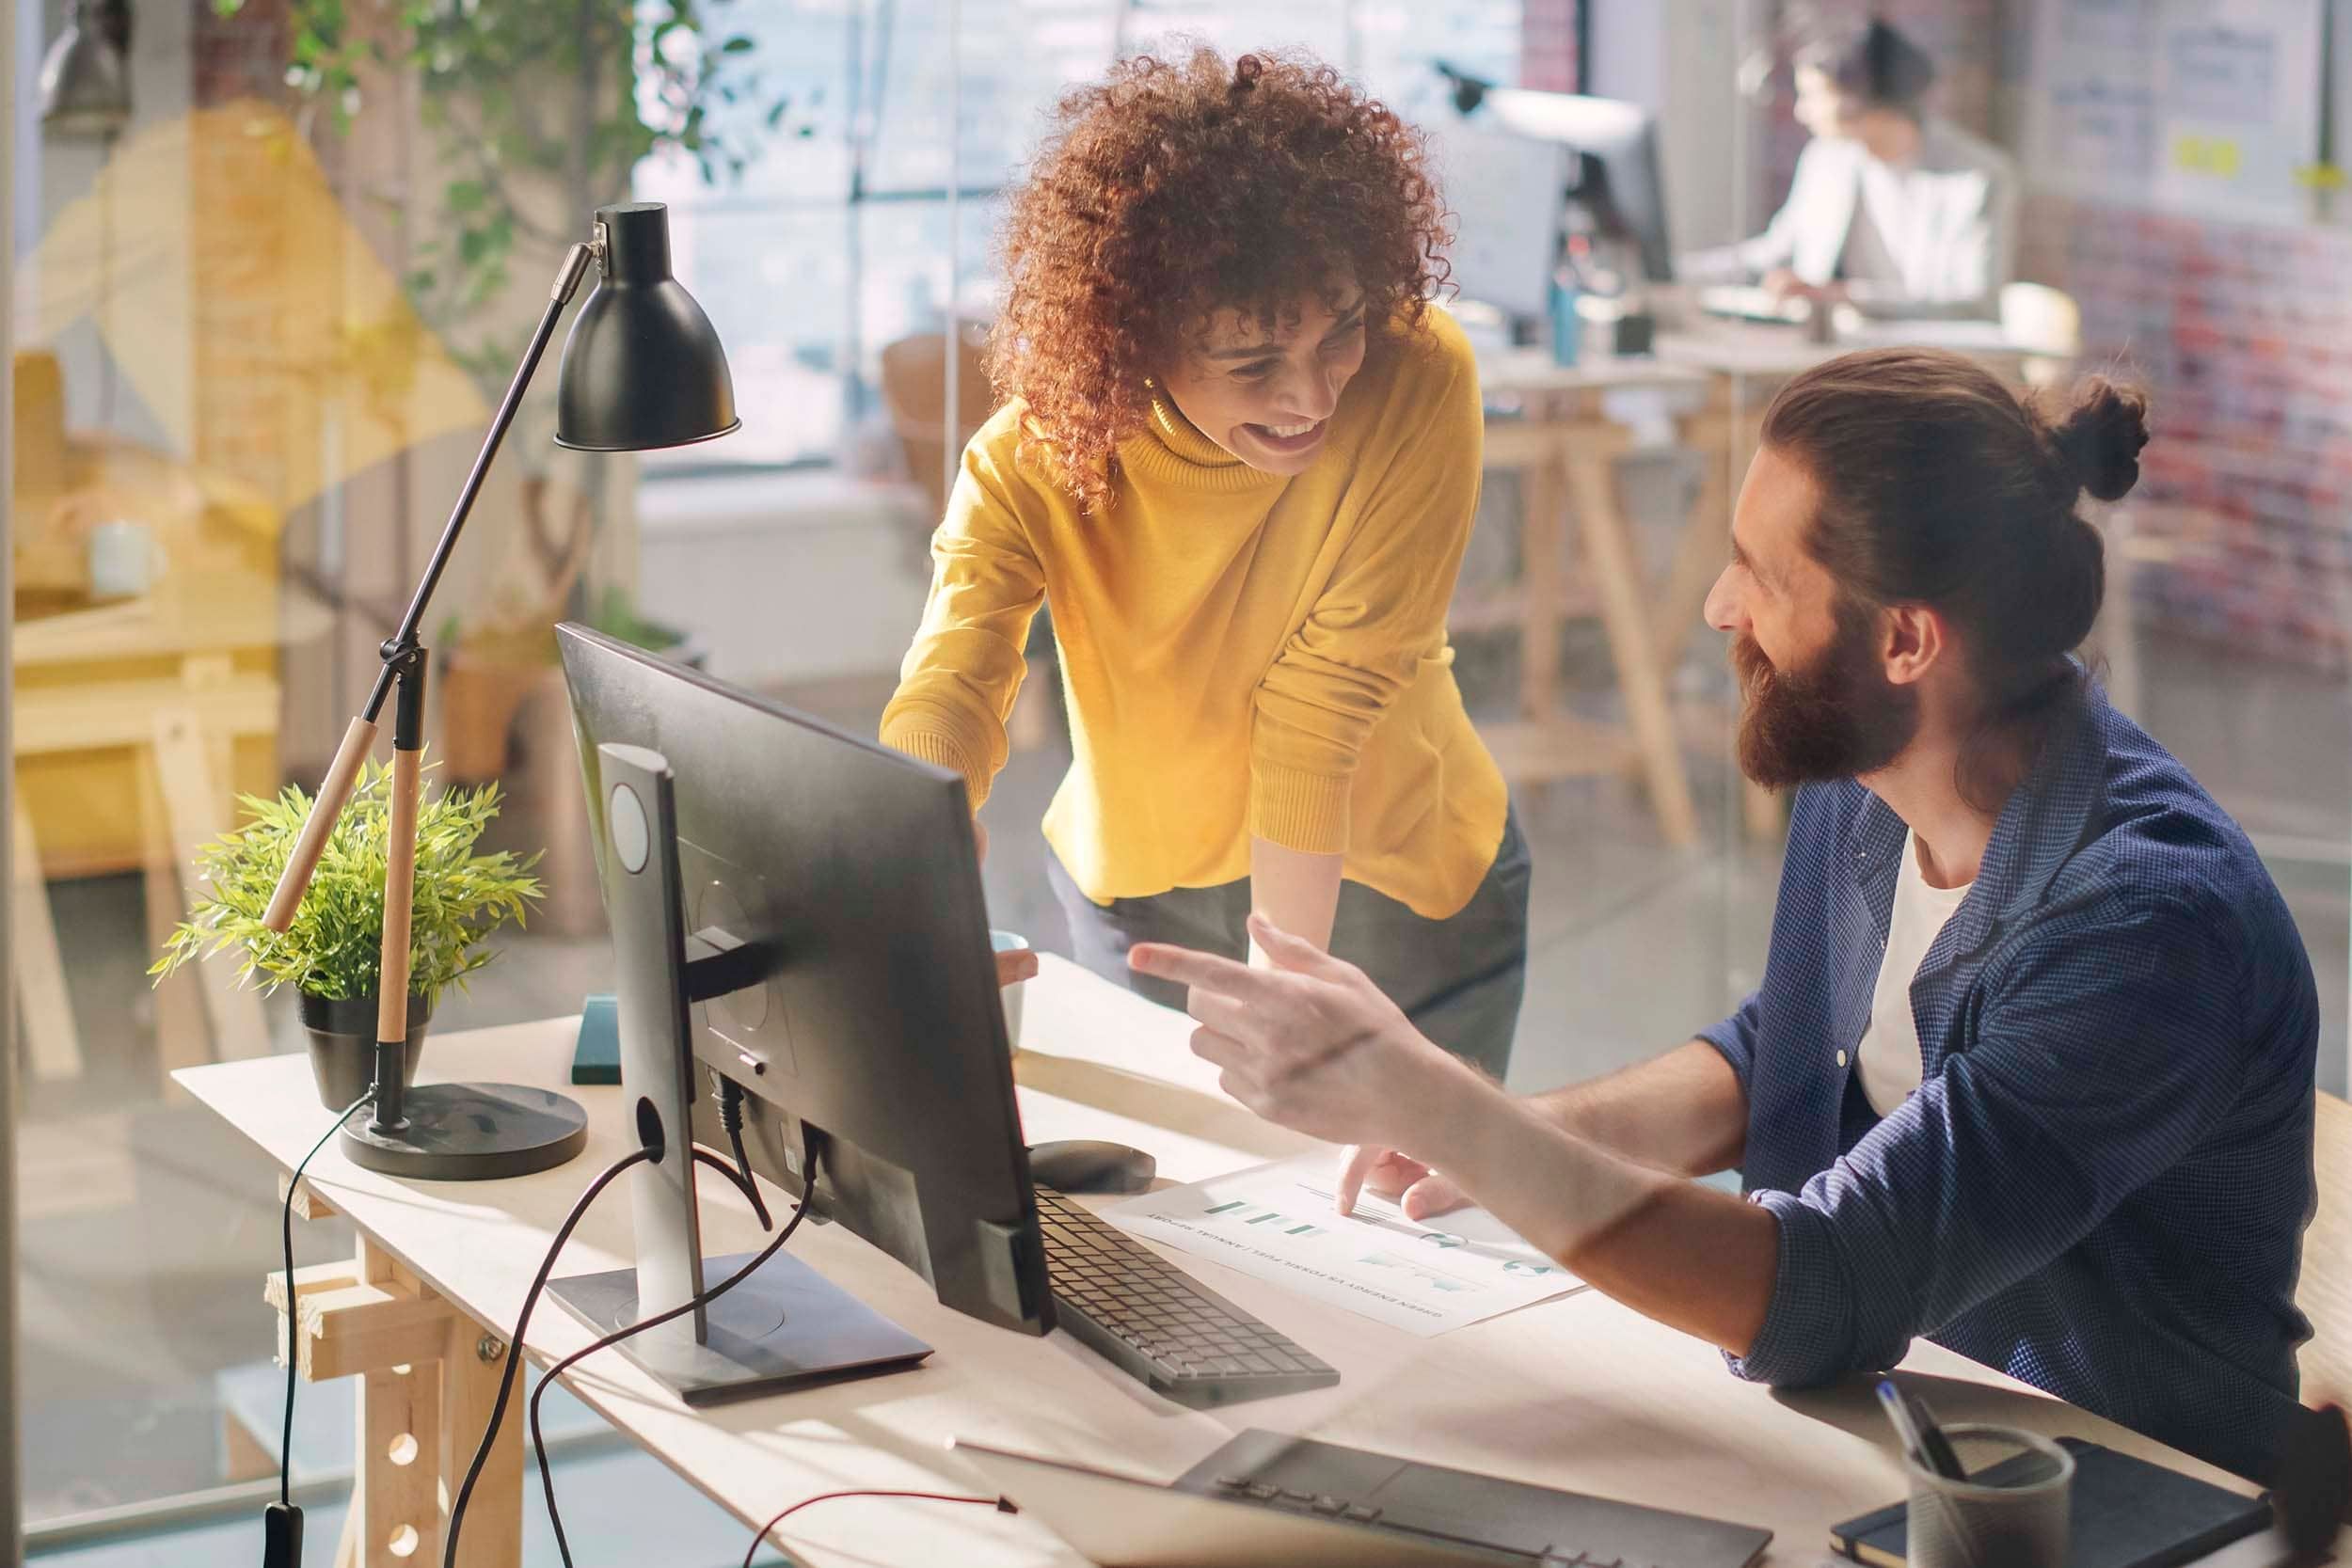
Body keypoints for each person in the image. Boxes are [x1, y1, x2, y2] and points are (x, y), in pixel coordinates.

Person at [1132, 348, 2322, 1487]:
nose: (1715, 605)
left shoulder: (2146, 925)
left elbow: (1826, 1284)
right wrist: (1510, 1136)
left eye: (1758, 571)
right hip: (1892, 1425)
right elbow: (1783, 1059)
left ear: (1904, 639)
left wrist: (1441, 1103)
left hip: (2120, 1492)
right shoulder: (1868, 772)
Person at [880, 48, 1530, 1076]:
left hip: (1392, 878)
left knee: (1387, 1185)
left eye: (1338, 334)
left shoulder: (1416, 371)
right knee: (1163, 1183)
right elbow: (956, 673)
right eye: (1253, 363)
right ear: (1132, 337)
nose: (1311, 396)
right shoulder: (1030, 459)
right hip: (1140, 895)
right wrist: (916, 835)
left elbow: (1324, 700)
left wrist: (1287, 991)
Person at [1682, 19, 2018, 320]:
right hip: (1834, 349)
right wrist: (1677, 271)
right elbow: (1775, 252)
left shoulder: (1977, 177)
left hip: (1927, 358)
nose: (1801, 111)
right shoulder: (1827, 159)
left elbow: (1974, 302)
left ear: (1862, 99)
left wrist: (1847, 297)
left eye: (1813, 95)